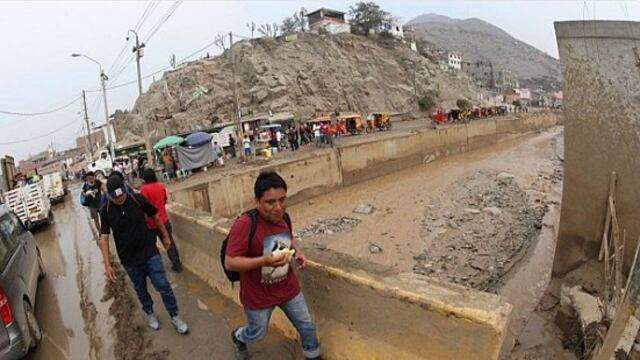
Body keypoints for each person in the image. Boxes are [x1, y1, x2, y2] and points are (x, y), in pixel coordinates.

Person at [225, 171, 321, 360]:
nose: (278, 207)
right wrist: (265, 261)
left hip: (287, 287)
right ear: (257, 201)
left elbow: (288, 236)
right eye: (270, 202)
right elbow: (231, 262)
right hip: (258, 295)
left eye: (282, 200)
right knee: (257, 333)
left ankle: (313, 356)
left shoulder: (284, 217)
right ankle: (238, 336)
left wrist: (297, 252)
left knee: (307, 325)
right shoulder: (245, 224)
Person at [99, 174, 189, 334]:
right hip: (129, 261)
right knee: (141, 289)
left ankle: (175, 316)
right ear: (109, 195)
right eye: (115, 197)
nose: (119, 199)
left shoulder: (138, 199)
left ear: (125, 190)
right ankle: (150, 313)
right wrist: (107, 264)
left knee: (163, 285)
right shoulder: (105, 211)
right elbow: (104, 238)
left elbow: (155, 216)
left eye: (121, 195)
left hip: (150, 252)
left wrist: (165, 236)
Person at [140, 168, 183, 272]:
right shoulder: (161, 186)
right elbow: (164, 200)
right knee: (170, 243)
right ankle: (177, 264)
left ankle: (158, 268)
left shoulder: (144, 190)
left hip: (151, 224)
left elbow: (144, 207)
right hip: (164, 220)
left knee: (153, 248)